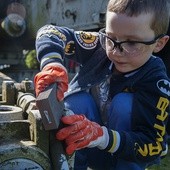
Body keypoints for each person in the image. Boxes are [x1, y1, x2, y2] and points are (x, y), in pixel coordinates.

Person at [34, 0, 170, 169]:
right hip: (86, 145)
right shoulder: (100, 45)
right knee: (77, 101)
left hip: (126, 152)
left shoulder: (156, 80)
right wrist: (52, 63)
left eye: (132, 43)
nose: (115, 50)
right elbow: (49, 32)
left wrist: (102, 136)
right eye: (111, 37)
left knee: (124, 105)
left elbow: (154, 145)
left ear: (159, 43)